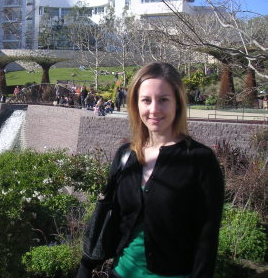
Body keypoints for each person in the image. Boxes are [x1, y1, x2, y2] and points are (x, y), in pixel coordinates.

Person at [77, 62, 224, 278]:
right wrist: (86, 265)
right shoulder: (126, 154)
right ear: (136, 104)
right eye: (146, 100)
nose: (154, 109)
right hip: (121, 272)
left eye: (163, 100)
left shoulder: (200, 160)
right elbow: (113, 214)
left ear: (178, 104)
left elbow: (207, 236)